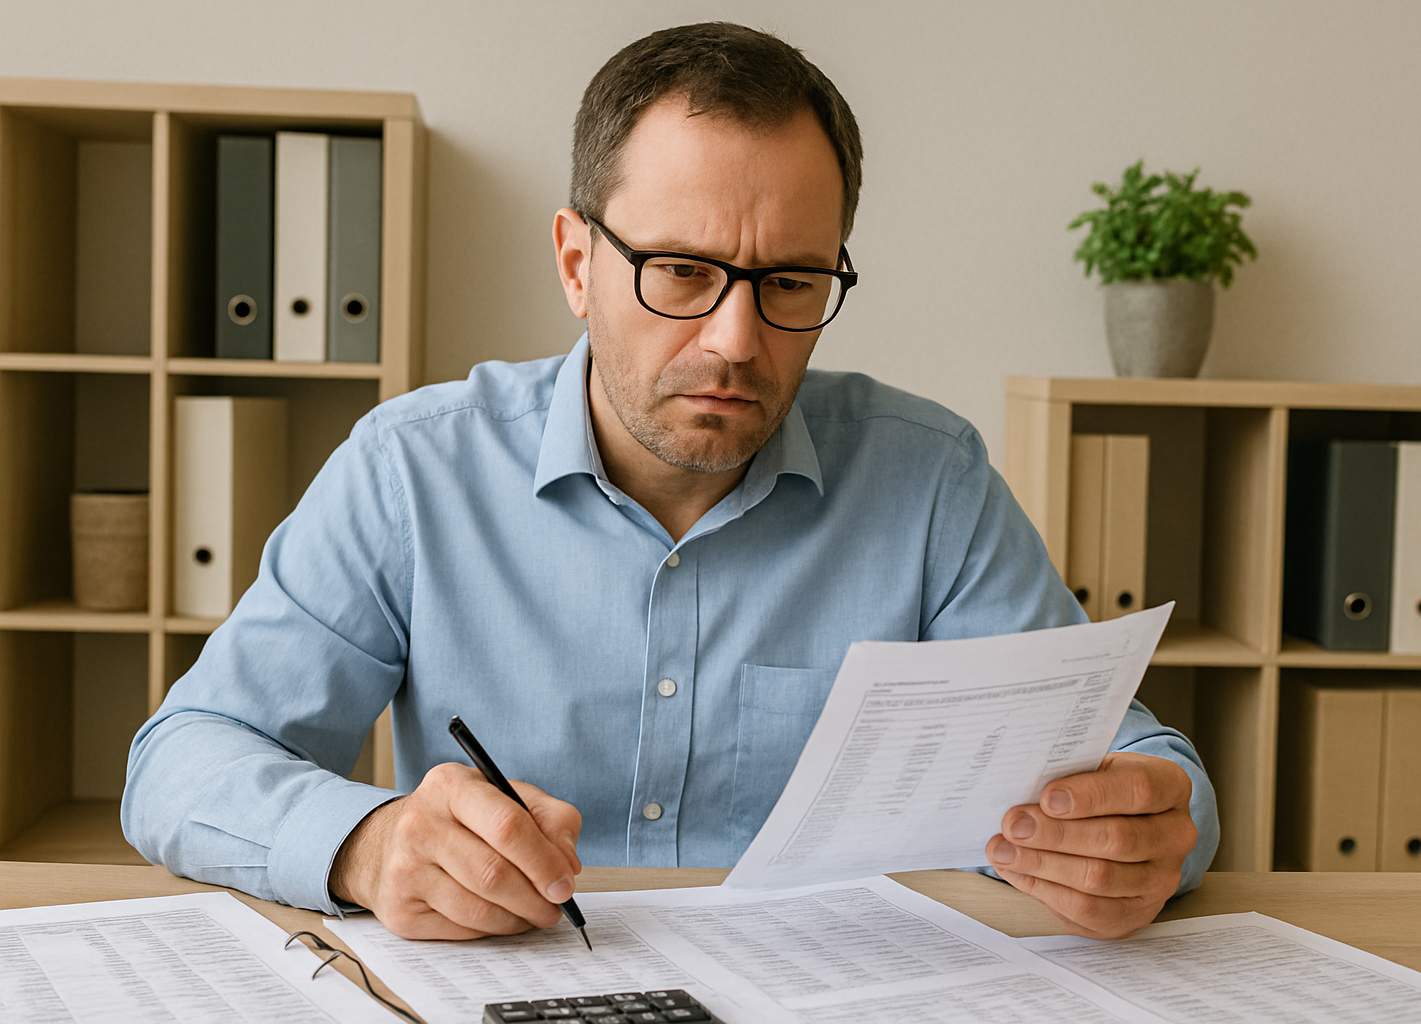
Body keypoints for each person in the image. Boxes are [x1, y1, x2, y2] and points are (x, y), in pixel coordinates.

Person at [124, 22, 1216, 944]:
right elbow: (182, 761)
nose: (736, 340)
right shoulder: (413, 470)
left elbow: (1130, 753)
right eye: (682, 272)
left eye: (789, 280)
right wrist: (365, 847)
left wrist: (1153, 829)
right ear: (575, 262)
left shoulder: (931, 481)